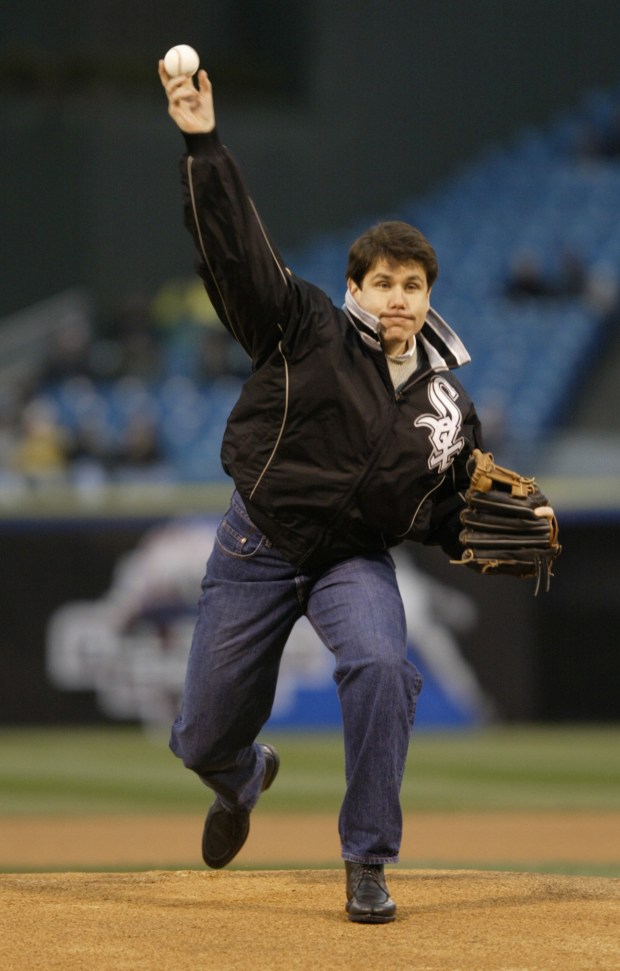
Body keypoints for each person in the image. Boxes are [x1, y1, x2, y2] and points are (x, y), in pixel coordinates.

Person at [159, 61, 483, 924]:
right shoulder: (303, 326)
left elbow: (443, 509)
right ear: (354, 289)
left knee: (382, 666)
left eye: (413, 285)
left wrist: (473, 533)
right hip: (255, 546)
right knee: (200, 734)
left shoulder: (449, 404)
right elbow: (235, 255)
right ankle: (240, 777)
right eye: (383, 282)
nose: (399, 298)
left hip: (351, 561)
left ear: (429, 296)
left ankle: (367, 860)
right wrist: (203, 143)